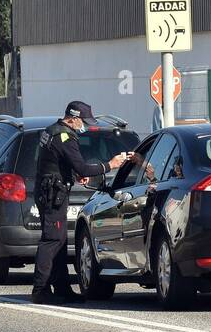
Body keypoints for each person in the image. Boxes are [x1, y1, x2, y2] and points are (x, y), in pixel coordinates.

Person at [30, 101, 134, 305]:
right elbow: (83, 167)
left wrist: (74, 174)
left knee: (59, 241)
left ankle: (62, 288)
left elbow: (57, 161)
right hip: (52, 194)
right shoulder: (64, 137)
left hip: (49, 191)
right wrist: (109, 165)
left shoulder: (52, 130)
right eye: (83, 121)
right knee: (51, 241)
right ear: (73, 118)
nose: (84, 126)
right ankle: (40, 289)